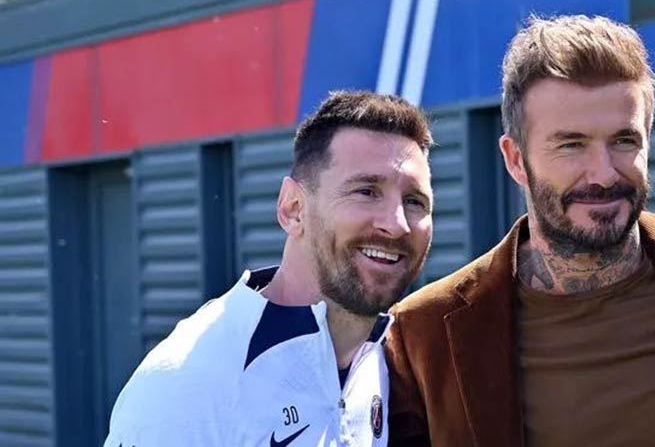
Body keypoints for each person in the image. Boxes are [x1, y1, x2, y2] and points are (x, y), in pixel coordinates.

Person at [385, 15, 655, 446]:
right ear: (516, 159)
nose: (603, 174)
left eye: (623, 141)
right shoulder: (426, 333)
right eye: (571, 145)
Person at [104, 91, 434, 447]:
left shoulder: (392, 362)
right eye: (366, 191)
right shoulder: (185, 383)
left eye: (414, 201)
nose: (397, 224)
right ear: (293, 208)